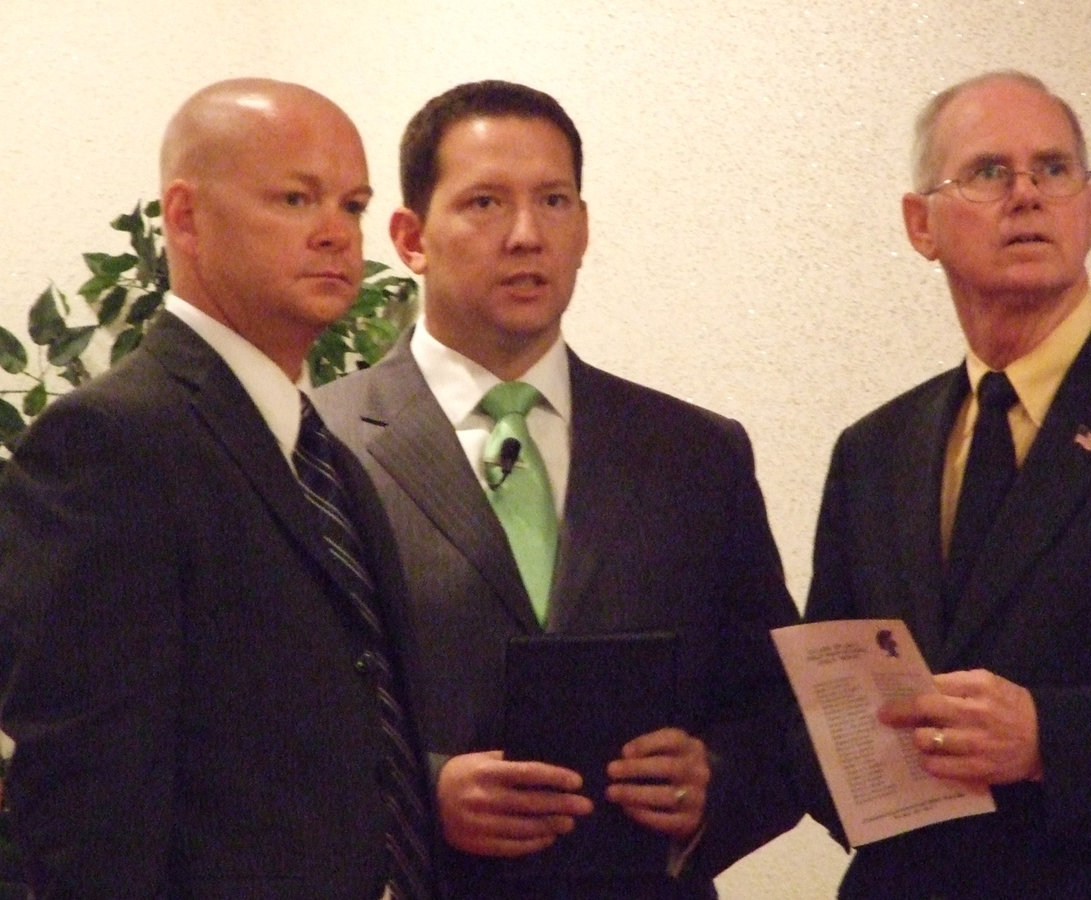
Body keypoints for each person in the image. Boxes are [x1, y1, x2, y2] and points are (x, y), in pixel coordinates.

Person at [315, 79, 808, 899]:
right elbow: (263, 726)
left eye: (554, 200)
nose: (526, 235)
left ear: (583, 228)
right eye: (483, 202)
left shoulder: (697, 455)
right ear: (410, 236)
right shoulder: (319, 448)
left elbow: (781, 711)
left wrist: (713, 780)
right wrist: (421, 793)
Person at [0, 78, 437, 899]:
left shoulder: (326, 458)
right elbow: (86, 801)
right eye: (296, 198)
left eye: (352, 204)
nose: (336, 234)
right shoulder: (109, 442)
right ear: (188, 217)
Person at [804, 69, 1091, 896]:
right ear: (921, 225)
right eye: (989, 173)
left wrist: (1049, 738)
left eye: (1053, 170)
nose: (1026, 195)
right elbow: (828, 716)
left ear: (1089, 208)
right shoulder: (872, 454)